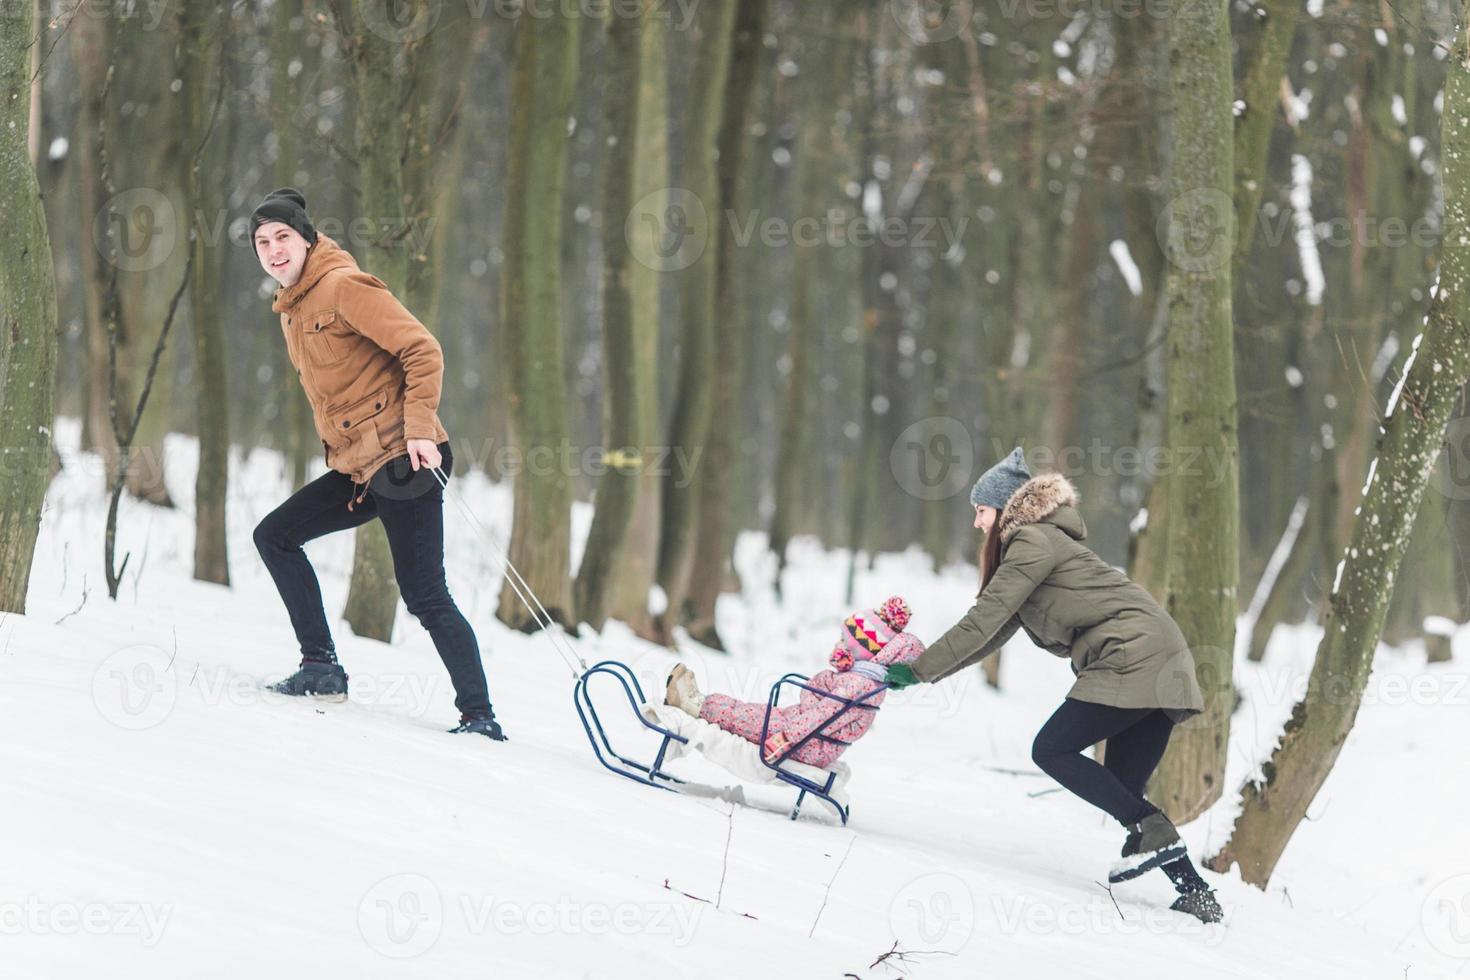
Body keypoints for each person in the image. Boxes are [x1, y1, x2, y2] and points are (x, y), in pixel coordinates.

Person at [885, 447, 1222, 923]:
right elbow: (992, 634)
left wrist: (916, 669)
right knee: (1126, 795)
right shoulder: (1044, 546)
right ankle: (1197, 893)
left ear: (1003, 508)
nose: (978, 524)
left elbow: (982, 619)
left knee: (1052, 750)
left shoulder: (1030, 542)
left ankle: (1161, 843)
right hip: (1163, 661)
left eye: (981, 511)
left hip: (1135, 657)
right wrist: (925, 672)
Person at [248, 188, 504, 741]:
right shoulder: (292, 311)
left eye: (282, 237)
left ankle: (479, 716)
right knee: (275, 536)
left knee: (423, 592)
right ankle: (320, 667)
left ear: (307, 239)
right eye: (262, 242)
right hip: (359, 468)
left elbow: (422, 349)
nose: (273, 250)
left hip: (407, 457)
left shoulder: (343, 287)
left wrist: (418, 431)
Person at [664, 596, 924, 767]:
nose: (840, 645)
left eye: (846, 642)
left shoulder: (857, 684)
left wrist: (786, 738)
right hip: (809, 735)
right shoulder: (862, 679)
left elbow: (823, 715)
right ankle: (699, 701)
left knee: (747, 716)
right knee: (752, 711)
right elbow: (821, 708)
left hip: (806, 742)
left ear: (863, 651)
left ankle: (694, 706)